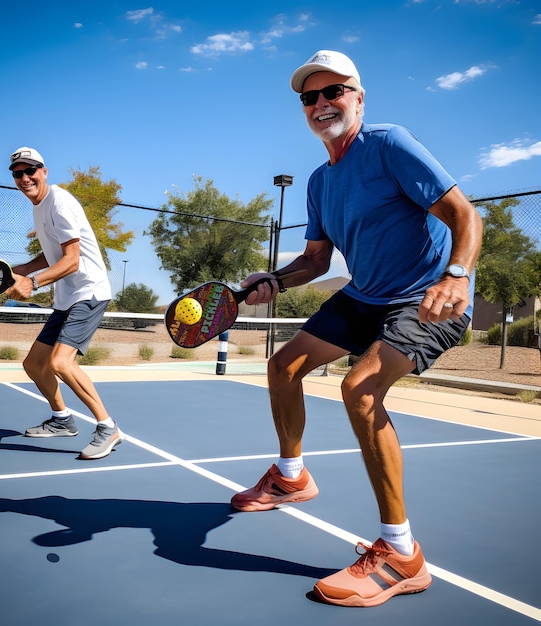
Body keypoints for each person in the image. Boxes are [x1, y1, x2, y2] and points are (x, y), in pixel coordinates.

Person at [230, 51, 483, 607]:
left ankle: (401, 554)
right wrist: (273, 277)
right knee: (283, 365)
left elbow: (467, 215)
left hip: (424, 295)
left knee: (360, 388)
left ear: (358, 97)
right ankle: (291, 476)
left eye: (334, 91)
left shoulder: (389, 144)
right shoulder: (320, 183)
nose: (322, 103)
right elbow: (315, 261)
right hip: (365, 294)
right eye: (310, 97)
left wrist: (458, 277)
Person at [5, 146, 122, 461]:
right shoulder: (39, 208)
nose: (25, 178)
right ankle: (62, 420)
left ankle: (108, 427)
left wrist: (33, 282)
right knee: (33, 364)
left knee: (60, 363)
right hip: (67, 298)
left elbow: (71, 260)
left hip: (89, 292)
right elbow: (51, 254)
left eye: (31, 171)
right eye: (19, 173)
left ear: (44, 171)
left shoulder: (60, 202)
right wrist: (22, 270)